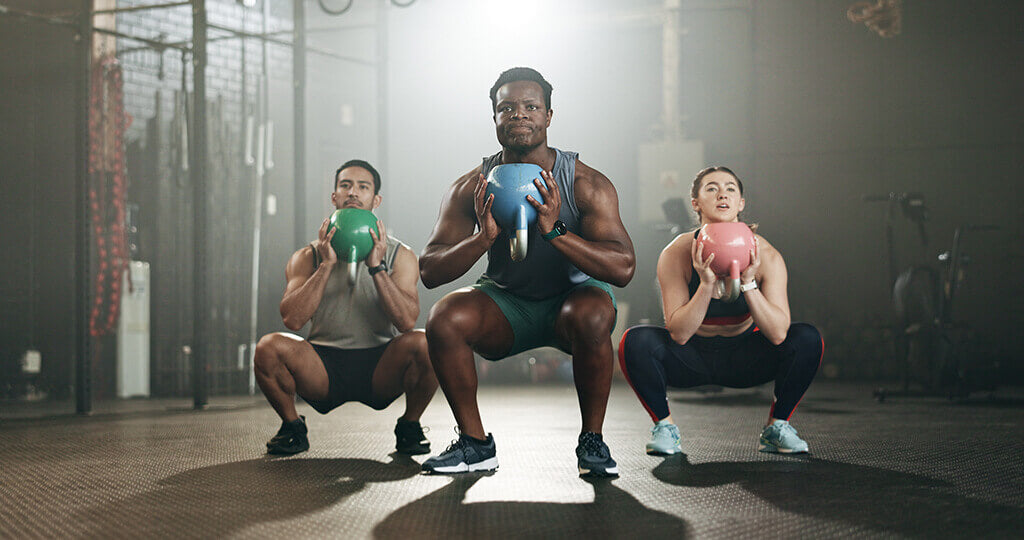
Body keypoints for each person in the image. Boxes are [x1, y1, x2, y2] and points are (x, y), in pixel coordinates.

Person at [418, 67, 636, 477]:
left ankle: (592, 440)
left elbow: (623, 267)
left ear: (549, 116)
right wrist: (482, 240)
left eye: (531, 106)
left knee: (591, 313)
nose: (519, 115)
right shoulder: (471, 187)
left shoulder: (585, 182)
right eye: (507, 108)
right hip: (507, 305)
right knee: (444, 318)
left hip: (571, 303)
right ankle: (475, 444)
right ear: (495, 118)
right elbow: (430, 269)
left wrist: (556, 232)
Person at [618, 166, 823, 455]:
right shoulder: (676, 253)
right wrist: (705, 284)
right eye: (711, 188)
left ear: (740, 203)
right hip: (691, 357)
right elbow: (678, 333)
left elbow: (778, 334)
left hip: (745, 359)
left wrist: (748, 282)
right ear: (696, 203)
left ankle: (777, 426)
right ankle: (665, 427)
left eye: (730, 188)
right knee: (635, 341)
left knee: (807, 338)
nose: (722, 193)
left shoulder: (766, 255)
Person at [254, 159, 437, 456]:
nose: (353, 192)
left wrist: (376, 267)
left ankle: (410, 426)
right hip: (322, 367)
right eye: (345, 186)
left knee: (426, 343)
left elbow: (406, 322)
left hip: (379, 365)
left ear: (375, 200)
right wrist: (326, 265)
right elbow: (292, 319)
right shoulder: (308, 255)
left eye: (363, 187)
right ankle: (292, 427)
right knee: (268, 347)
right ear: (334, 197)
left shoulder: (399, 254)